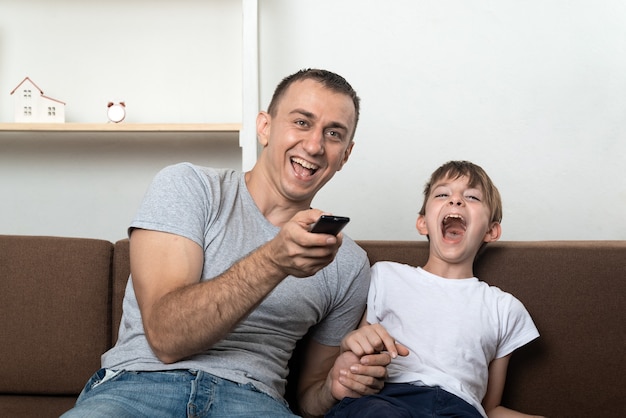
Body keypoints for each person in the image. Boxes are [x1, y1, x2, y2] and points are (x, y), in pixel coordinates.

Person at [61, 69, 389, 418]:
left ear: (346, 154)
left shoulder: (348, 264)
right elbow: (166, 337)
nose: (314, 145)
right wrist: (274, 261)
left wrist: (333, 387)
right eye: (302, 122)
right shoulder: (189, 187)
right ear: (264, 127)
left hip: (254, 403)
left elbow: (308, 398)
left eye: (333, 133)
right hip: (137, 389)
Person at [326, 161, 543, 418]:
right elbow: (358, 354)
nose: (456, 201)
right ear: (423, 223)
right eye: (443, 194)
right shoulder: (385, 276)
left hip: (460, 408)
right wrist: (352, 348)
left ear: (491, 230)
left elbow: (490, 408)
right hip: (386, 397)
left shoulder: (504, 308)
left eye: (472, 197)